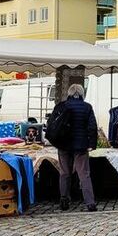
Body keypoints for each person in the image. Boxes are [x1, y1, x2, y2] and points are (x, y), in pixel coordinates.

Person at [49, 84, 98, 212]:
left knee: (64, 173)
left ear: (69, 93)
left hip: (63, 145)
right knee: (84, 174)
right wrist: (92, 144)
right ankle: (90, 203)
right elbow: (92, 127)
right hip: (81, 146)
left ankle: (64, 200)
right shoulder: (87, 107)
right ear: (82, 93)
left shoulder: (62, 106)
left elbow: (52, 124)